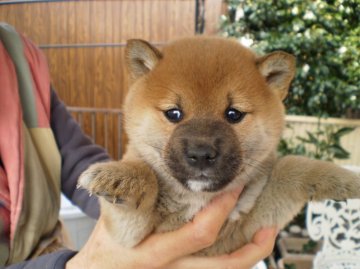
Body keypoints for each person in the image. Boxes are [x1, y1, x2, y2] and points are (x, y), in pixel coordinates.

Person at [0, 22, 277, 269]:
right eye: (174, 114)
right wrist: (86, 264)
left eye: (233, 116)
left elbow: (74, 159)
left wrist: (149, 214)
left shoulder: (17, 54)